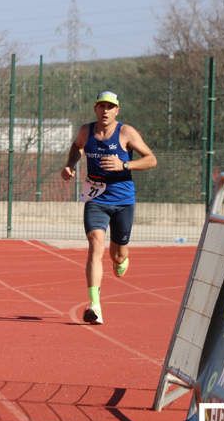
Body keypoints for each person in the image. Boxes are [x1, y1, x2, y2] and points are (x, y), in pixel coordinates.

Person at [60, 90, 157, 325]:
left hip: (123, 199)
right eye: (101, 106)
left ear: (117, 110)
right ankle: (94, 304)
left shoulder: (126, 132)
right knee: (95, 243)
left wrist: (124, 164)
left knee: (117, 253)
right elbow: (76, 147)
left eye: (110, 107)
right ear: (95, 109)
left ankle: (121, 258)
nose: (105, 111)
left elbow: (151, 159)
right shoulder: (87, 131)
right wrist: (70, 165)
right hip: (96, 197)